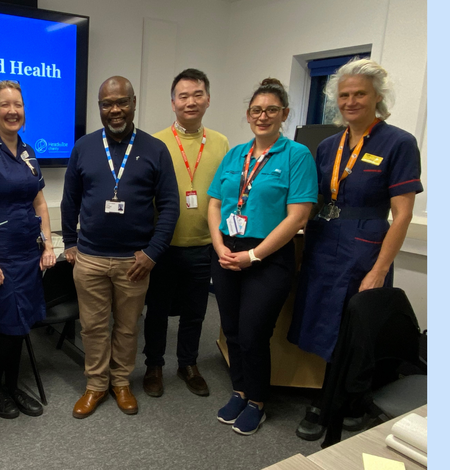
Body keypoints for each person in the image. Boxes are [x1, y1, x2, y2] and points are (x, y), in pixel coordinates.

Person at [289, 58, 423, 440]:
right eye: (344, 95)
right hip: (324, 241)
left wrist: (380, 269)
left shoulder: (398, 143)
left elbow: (402, 216)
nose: (351, 101)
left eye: (359, 94)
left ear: (377, 97)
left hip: (365, 249)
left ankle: (334, 404)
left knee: (352, 327)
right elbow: (308, 199)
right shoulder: (328, 145)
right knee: (322, 322)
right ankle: (343, 397)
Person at [61, 76, 180, 418]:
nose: (114, 110)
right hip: (91, 258)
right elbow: (70, 201)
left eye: (121, 102)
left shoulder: (154, 148)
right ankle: (96, 385)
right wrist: (70, 242)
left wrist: (153, 252)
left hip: (135, 260)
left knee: (128, 327)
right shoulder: (83, 146)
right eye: (106, 104)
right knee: (93, 327)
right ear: (100, 107)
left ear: (134, 102)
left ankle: (121, 382)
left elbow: (170, 205)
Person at [207, 79, 317, 435]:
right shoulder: (235, 154)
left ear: (284, 114)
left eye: (271, 110)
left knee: (254, 332)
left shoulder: (296, 155)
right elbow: (214, 203)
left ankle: (257, 400)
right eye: (256, 110)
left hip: (268, 257)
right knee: (233, 329)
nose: (263, 116)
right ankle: (240, 390)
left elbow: (298, 216)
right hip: (226, 251)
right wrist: (219, 245)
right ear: (248, 114)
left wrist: (252, 255)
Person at [0, 81, 56, 419]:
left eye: (18, 104)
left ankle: (12, 386)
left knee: (22, 325)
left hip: (28, 253)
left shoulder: (29, 150)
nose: (13, 110)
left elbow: (41, 203)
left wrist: (48, 244)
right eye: (5, 104)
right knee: (9, 326)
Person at [143, 68, 230, 398]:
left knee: (195, 311)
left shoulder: (221, 143)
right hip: (162, 246)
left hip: (203, 245)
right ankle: (154, 364)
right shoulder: (154, 143)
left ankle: (188, 363)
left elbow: (225, 194)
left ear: (208, 99)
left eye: (197, 95)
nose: (190, 102)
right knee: (158, 312)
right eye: (183, 96)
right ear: (173, 102)